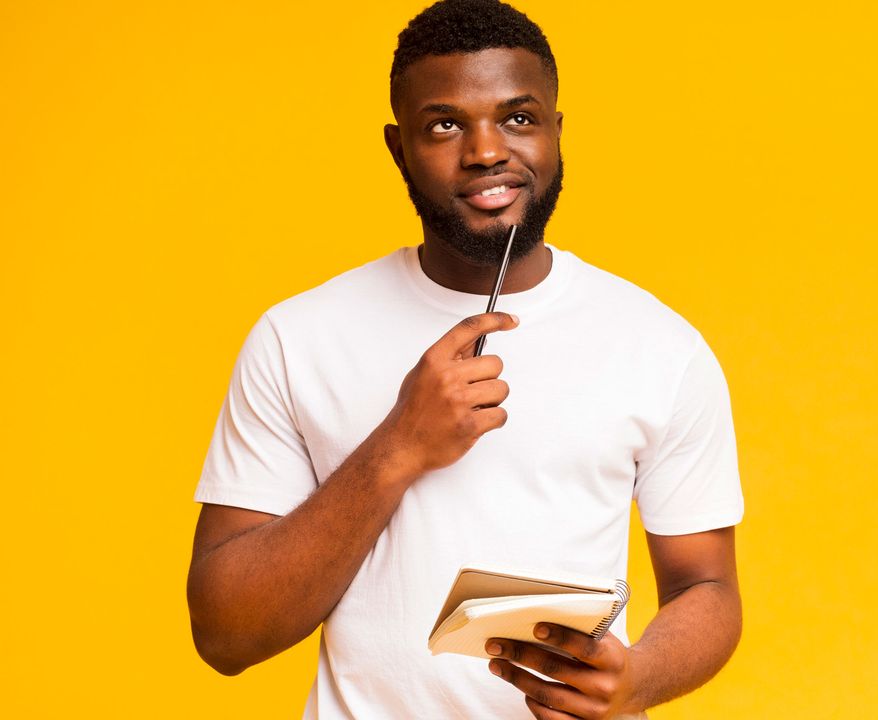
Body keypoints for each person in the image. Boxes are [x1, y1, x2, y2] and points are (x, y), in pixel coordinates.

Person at [186, 0, 744, 717]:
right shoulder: (298, 338)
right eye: (445, 124)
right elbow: (225, 635)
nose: (486, 151)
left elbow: (708, 588)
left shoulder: (660, 346)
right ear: (398, 148)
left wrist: (639, 677)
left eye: (518, 118)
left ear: (556, 131)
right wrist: (398, 446)